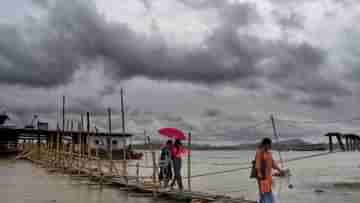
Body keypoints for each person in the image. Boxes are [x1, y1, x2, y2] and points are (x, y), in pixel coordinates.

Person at [256, 138, 284, 203]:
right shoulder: (259, 153)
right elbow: (257, 166)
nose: (270, 146)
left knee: (265, 194)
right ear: (265, 144)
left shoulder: (269, 153)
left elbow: (273, 163)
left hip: (268, 178)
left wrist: (279, 170)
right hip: (263, 178)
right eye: (269, 144)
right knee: (264, 194)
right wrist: (259, 177)